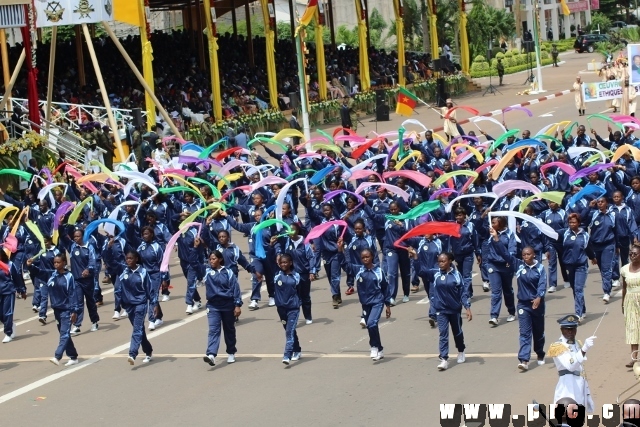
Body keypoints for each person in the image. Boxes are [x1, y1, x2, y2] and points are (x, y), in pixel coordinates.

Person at [491, 227, 547, 371]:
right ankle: (524, 360)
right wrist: (496, 239)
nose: (526, 257)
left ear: (534, 255)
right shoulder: (519, 265)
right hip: (523, 305)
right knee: (524, 332)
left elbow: (542, 285)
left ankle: (540, 353)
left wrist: (539, 297)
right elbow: (504, 254)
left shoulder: (540, 269)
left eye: (528, 254)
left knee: (538, 332)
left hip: (537, 305)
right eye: (524, 255)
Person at [338, 242, 391, 361]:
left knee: (372, 323)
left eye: (367, 257)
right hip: (365, 304)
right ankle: (380, 348)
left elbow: (385, 288)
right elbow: (345, 265)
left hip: (377, 302)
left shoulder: (379, 271)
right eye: (363, 257)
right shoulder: (358, 270)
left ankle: (373, 347)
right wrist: (340, 251)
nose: (365, 259)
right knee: (370, 326)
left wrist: (387, 305)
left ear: (372, 256)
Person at [426, 252, 472, 371]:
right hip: (441, 309)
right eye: (439, 261)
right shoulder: (436, 274)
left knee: (457, 332)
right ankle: (444, 359)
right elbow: (422, 271)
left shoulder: (456, 275)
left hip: (454, 310)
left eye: (443, 261)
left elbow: (463, 293)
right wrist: (415, 258)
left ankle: (461, 351)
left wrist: (467, 307)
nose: (440, 263)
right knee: (443, 334)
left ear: (450, 261)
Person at [115, 251, 157, 365]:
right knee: (140, 330)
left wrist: (154, 304)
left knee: (137, 329)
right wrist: (118, 306)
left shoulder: (143, 272)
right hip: (129, 306)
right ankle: (148, 351)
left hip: (140, 304)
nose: (128, 260)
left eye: (130, 258)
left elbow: (150, 290)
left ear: (136, 259)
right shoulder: (124, 271)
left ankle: (132, 354)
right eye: (127, 258)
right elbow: (118, 288)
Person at [549, 314, 596, 413]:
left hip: (580, 386)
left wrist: (588, 395)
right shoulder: (558, 346)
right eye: (567, 329)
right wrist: (584, 349)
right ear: (562, 329)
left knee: (578, 419)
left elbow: (582, 371)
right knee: (566, 416)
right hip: (567, 386)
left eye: (573, 329)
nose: (570, 332)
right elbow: (570, 366)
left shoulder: (577, 344)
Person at [202, 251, 242, 367]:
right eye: (210, 259)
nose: (211, 261)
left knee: (229, 329)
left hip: (227, 305)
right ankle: (211, 355)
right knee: (214, 330)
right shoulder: (207, 272)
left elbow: (235, 288)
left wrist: (237, 305)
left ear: (220, 259)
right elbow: (195, 264)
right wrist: (196, 248)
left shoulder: (228, 272)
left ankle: (231, 352)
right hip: (213, 306)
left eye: (214, 259)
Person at [561, 213, 597, 323]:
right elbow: (553, 238)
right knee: (574, 289)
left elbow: (589, 248)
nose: (572, 224)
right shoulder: (565, 233)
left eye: (574, 222)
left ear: (578, 223)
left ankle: (578, 314)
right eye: (570, 222)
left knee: (578, 289)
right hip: (569, 265)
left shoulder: (585, 235)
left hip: (581, 265)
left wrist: (592, 257)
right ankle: (583, 309)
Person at [47, 255, 80, 366]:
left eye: (58, 262)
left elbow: (72, 294)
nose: (56, 264)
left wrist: (74, 311)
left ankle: (57, 356)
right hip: (57, 310)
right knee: (65, 333)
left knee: (64, 334)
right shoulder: (52, 275)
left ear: (64, 263)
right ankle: (73, 356)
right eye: (54, 262)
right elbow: (40, 272)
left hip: (67, 310)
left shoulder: (69, 277)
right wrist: (31, 265)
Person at [486, 216, 517, 326]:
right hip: (493, 266)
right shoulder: (490, 233)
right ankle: (494, 316)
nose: (491, 224)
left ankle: (512, 311)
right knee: (496, 292)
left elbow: (512, 250)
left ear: (501, 224)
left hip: (505, 265)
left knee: (507, 290)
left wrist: (510, 259)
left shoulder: (509, 234)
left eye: (494, 223)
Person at [273, 254, 303, 365]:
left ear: (290, 263)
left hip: (293, 308)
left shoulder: (296, 276)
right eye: (282, 262)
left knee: (289, 332)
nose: (283, 264)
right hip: (281, 308)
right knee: (289, 330)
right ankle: (297, 350)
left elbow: (301, 292)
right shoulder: (276, 274)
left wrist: (298, 303)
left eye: (286, 262)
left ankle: (287, 355)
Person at [0, 250, 26, 343]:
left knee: (7, 313)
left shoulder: (10, 264)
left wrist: (22, 290)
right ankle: (10, 324)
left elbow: (17, 277)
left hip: (8, 291)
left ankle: (8, 333)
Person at [621, 243, 640, 367]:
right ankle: (634, 358)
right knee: (633, 329)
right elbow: (624, 288)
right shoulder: (624, 269)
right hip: (630, 301)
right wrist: (622, 303)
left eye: (635, 254)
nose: (632, 256)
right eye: (630, 254)